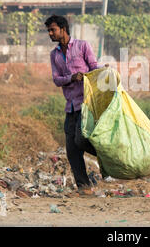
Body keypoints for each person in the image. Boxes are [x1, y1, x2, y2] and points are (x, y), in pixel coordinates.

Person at [45, 14, 106, 196]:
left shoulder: (82, 46)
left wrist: (102, 72)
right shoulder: (54, 55)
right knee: (72, 151)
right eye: (48, 30)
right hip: (70, 106)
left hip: (86, 103)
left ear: (63, 29)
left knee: (81, 140)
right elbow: (57, 80)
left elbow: (93, 66)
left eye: (53, 30)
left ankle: (107, 157)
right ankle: (84, 187)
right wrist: (72, 77)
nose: (50, 33)